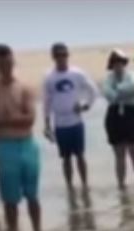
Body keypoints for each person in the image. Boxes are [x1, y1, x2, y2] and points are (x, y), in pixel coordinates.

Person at [0, 43, 42, 231]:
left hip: (26, 143)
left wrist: (9, 119)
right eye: (0, 62)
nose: (5, 65)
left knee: (32, 194)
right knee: (10, 198)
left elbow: (30, 118)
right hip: (5, 146)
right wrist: (13, 118)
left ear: (13, 60)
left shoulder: (23, 87)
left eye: (7, 60)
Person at [43, 42, 97, 196]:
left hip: (76, 122)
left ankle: (85, 186)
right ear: (53, 57)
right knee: (65, 158)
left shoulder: (77, 73)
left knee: (80, 155)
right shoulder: (49, 77)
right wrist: (47, 124)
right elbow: (46, 102)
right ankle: (70, 187)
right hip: (60, 124)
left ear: (68, 55)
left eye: (64, 54)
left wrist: (86, 106)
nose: (62, 58)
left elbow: (93, 90)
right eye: (58, 55)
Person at [102, 48, 134, 192]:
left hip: (131, 113)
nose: (118, 65)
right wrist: (119, 91)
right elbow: (108, 94)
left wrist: (117, 89)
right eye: (115, 62)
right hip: (115, 115)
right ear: (112, 64)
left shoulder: (132, 74)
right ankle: (121, 185)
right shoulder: (108, 78)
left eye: (120, 62)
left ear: (124, 63)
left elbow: (133, 87)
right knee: (119, 155)